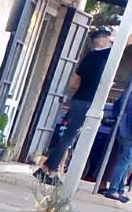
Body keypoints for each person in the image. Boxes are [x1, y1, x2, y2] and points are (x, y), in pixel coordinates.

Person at [36, 26, 115, 184]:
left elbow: (75, 82)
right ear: (103, 39)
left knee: (68, 136)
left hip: (78, 99)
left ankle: (49, 169)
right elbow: (125, 42)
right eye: (109, 38)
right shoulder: (107, 55)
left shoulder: (88, 57)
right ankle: (47, 169)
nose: (112, 41)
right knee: (70, 137)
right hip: (89, 102)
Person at [100, 91, 132, 202]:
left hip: (122, 129)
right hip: (129, 132)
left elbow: (117, 105)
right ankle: (114, 189)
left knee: (126, 161)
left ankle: (120, 189)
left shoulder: (129, 91)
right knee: (125, 161)